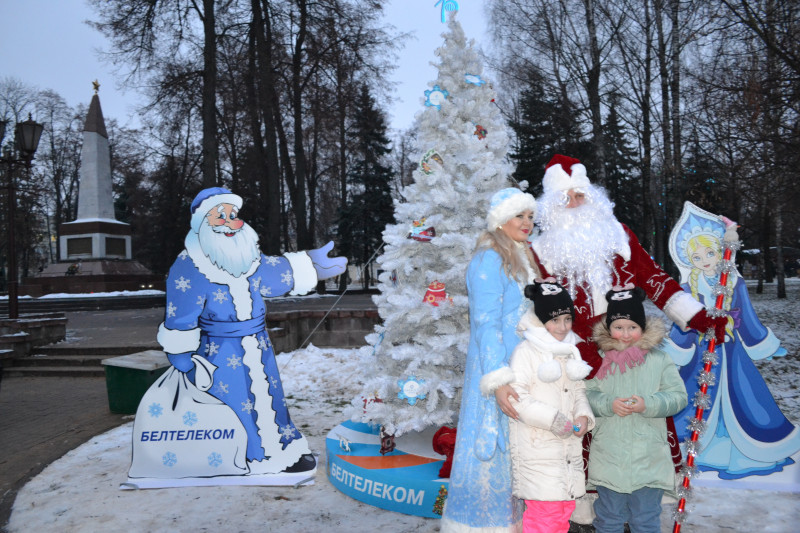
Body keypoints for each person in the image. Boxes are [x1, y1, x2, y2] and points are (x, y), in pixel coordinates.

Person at [529, 154, 726, 527]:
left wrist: (697, 317)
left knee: (637, 423)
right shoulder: (540, 253)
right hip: (572, 355)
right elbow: (538, 310)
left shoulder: (620, 236)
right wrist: (564, 349)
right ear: (552, 207)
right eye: (565, 198)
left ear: (593, 197)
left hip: (628, 347)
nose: (575, 203)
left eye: (580, 195)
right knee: (580, 426)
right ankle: (583, 503)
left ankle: (644, 498)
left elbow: (653, 277)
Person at [157, 187, 346, 475]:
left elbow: (275, 273)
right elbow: (180, 313)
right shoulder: (189, 265)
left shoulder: (248, 257)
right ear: (201, 222)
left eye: (233, 214)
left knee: (270, 395)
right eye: (220, 215)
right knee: (231, 402)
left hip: (258, 345)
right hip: (218, 352)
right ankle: (239, 456)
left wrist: (310, 264)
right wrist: (181, 354)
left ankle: (281, 449)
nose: (230, 222)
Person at [441, 187, 538, 533]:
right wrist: (499, 380)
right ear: (500, 220)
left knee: (515, 452)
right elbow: (485, 323)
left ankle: (513, 523)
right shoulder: (489, 260)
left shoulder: (521, 256)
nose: (527, 222)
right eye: (519, 215)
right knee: (490, 448)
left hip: (521, 367)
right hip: (495, 369)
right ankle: (481, 525)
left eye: (530, 216)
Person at [664, 231, 800, 479]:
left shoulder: (734, 283)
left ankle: (742, 452)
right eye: (697, 257)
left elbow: (746, 316)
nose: (705, 260)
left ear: (720, 253)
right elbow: (682, 322)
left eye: (709, 253)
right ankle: (702, 451)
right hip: (701, 354)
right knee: (697, 398)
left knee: (742, 396)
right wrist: (675, 348)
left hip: (731, 351)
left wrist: (763, 343)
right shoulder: (688, 288)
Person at [585, 286, 688, 533]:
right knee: (609, 520)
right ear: (608, 328)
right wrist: (608, 404)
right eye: (618, 327)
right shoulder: (598, 360)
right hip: (609, 457)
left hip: (649, 459)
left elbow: (678, 397)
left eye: (632, 327)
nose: (625, 334)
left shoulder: (659, 360)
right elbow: (584, 396)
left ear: (642, 327)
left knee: (645, 521)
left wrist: (648, 404)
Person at [508, 279, 594, 533]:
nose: (562, 327)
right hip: (538, 449)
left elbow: (578, 391)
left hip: (566, 451)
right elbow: (517, 397)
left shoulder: (569, 351)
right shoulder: (526, 351)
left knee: (563, 511)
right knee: (545, 516)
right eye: (555, 320)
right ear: (541, 318)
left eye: (567, 319)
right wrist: (553, 419)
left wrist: (583, 416)